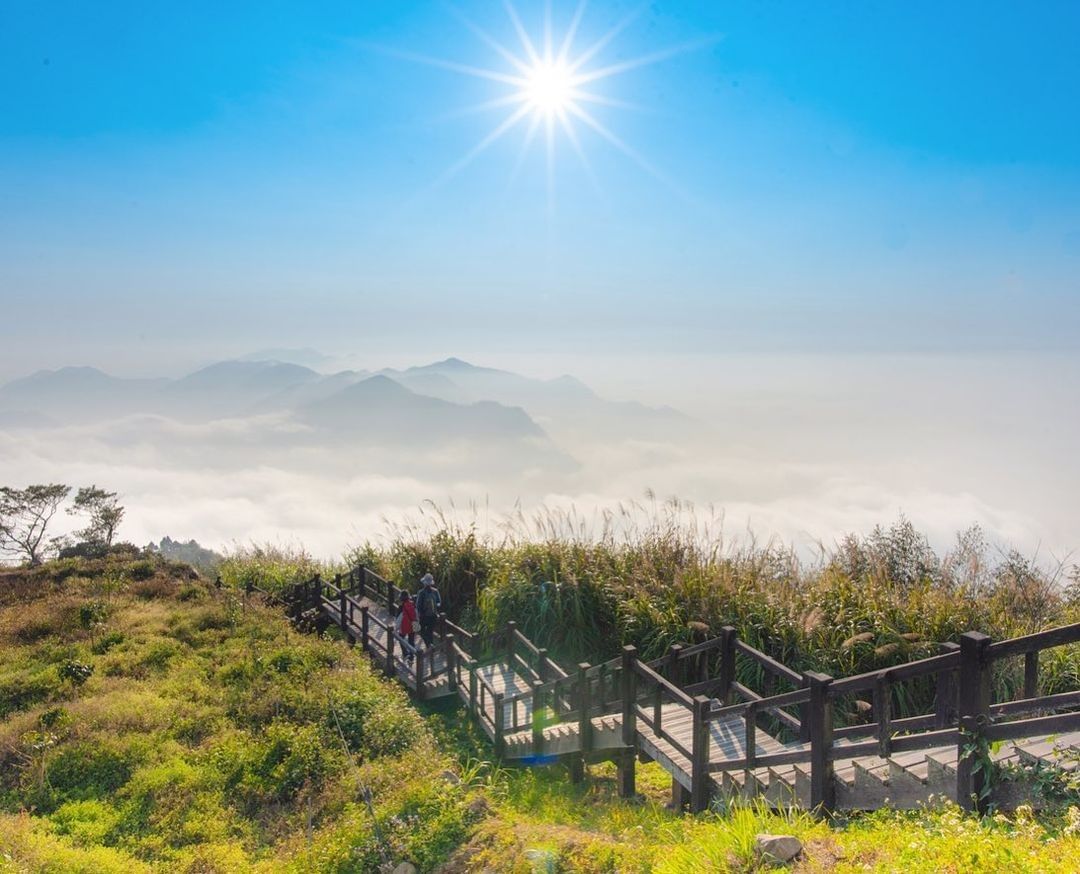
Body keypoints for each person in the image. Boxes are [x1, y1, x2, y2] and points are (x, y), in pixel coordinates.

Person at [414, 572, 442, 649]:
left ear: (424, 583)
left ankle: (428, 645)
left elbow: (418, 605)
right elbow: (439, 602)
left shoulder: (421, 592)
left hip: (424, 616)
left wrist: (419, 614)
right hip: (433, 615)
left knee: (422, 631)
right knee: (430, 631)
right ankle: (431, 645)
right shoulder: (435, 591)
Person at [395, 590, 417, 661]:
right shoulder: (413, 604)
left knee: (401, 638)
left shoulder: (401, 607)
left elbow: (398, 619)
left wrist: (396, 628)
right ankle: (412, 657)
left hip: (404, 626)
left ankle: (405, 654)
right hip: (412, 625)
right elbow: (416, 614)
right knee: (411, 641)